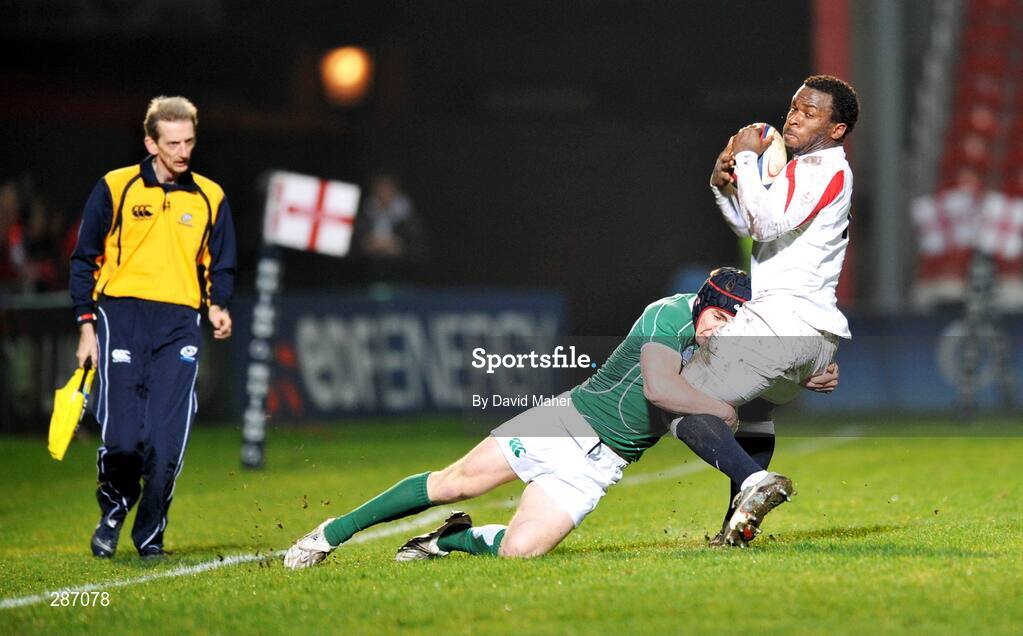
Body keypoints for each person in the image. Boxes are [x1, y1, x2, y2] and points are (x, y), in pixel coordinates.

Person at [283, 268, 835, 567]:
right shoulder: (668, 314)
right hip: (566, 422)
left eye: (729, 325)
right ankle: (329, 535)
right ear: (703, 301)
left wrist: (802, 376)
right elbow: (660, 387)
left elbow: (767, 375)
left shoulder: (726, 341)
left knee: (522, 552)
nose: (719, 330)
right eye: (716, 317)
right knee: (454, 483)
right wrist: (719, 406)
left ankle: (446, 542)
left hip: (599, 467)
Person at [668, 74, 858, 546]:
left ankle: (755, 481)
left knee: (673, 399)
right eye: (794, 107)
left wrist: (749, 156)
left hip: (781, 323)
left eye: (810, 113)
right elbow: (754, 224)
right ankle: (737, 527)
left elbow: (764, 221)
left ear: (836, 129)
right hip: (808, 335)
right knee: (754, 412)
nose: (794, 117)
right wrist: (723, 185)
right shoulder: (806, 169)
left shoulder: (820, 168)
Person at [70, 96, 237, 559]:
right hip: (121, 316)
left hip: (179, 324)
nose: (184, 151)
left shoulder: (211, 196)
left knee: (166, 443)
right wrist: (87, 327)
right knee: (124, 439)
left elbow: (220, 265)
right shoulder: (115, 187)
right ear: (151, 142)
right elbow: (84, 259)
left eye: (189, 141)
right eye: (173, 143)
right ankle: (115, 505)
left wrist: (219, 306)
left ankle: (150, 535)